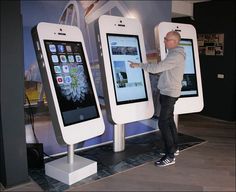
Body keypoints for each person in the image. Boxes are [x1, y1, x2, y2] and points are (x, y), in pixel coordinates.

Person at [129, 31, 185, 167]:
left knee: (163, 123)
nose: (164, 41)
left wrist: (139, 65)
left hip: (169, 94)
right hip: (168, 92)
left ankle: (170, 156)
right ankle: (174, 149)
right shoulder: (173, 53)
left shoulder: (176, 55)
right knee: (169, 121)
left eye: (167, 39)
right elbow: (164, 70)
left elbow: (157, 68)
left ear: (175, 41)